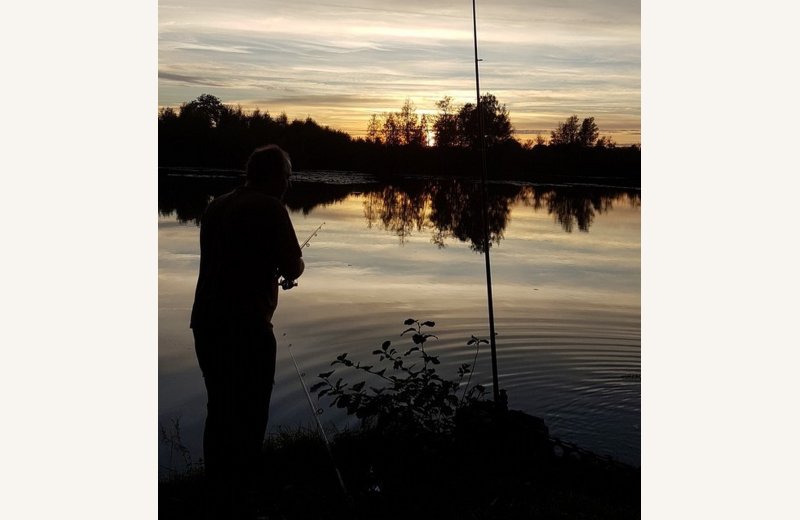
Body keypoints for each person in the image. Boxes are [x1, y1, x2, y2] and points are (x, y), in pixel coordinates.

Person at [190, 144, 304, 518]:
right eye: (287, 175)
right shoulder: (270, 207)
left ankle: (216, 489)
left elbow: (236, 257)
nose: (289, 184)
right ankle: (245, 495)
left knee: (219, 407)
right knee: (251, 411)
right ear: (274, 175)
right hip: (247, 325)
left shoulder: (216, 205)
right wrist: (291, 267)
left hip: (206, 323)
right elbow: (293, 265)